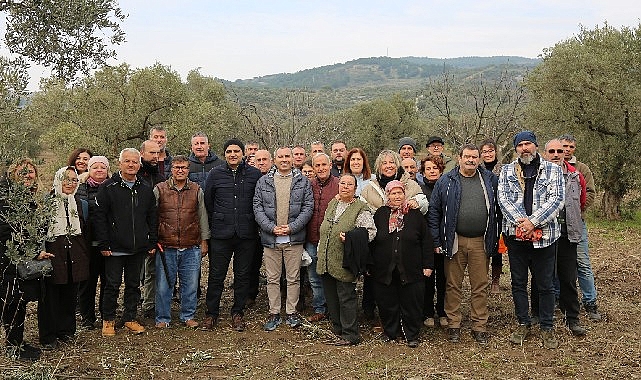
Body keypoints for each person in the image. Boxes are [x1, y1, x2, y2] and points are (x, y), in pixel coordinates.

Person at [498, 131, 565, 349]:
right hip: (516, 238)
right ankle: (523, 323)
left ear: (535, 146)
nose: (524, 148)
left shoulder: (553, 170)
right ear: (516, 148)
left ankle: (546, 326)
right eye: (520, 145)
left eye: (528, 144)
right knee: (518, 283)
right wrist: (521, 223)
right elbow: (503, 199)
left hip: (545, 237)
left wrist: (533, 222)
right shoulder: (507, 171)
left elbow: (557, 200)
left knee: (545, 284)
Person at [428, 144, 500, 345]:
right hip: (454, 240)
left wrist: (496, 236)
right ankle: (454, 324)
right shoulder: (446, 181)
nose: (470, 160)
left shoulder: (489, 179)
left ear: (479, 159)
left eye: (474, 157)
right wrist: (437, 239)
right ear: (459, 158)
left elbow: (498, 211)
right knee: (453, 284)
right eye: (467, 156)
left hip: (481, 240)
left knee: (480, 285)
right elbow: (434, 211)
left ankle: (479, 325)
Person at [94, 148, 158, 337]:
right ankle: (108, 320)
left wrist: (152, 241)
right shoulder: (107, 187)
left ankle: (130, 317)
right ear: (120, 163)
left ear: (139, 165)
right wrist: (103, 244)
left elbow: (152, 217)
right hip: (114, 248)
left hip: (137, 247)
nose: (131, 165)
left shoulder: (145, 188)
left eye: (135, 162)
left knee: (133, 285)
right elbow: (99, 217)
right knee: (112, 285)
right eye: (127, 161)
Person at [359, 150, 428, 323]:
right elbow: (362, 209)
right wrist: (380, 216)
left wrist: (415, 202)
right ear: (379, 166)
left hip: (405, 245)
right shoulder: (370, 186)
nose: (388, 166)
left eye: (391, 162)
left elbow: (423, 202)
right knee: (379, 284)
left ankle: (408, 321)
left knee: (405, 285)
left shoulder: (410, 184)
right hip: (380, 242)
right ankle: (376, 316)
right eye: (384, 163)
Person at [203, 139, 261, 331]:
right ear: (224, 154)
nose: (233, 154)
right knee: (216, 275)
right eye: (229, 151)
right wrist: (219, 220)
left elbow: (258, 201)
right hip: (221, 233)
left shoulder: (254, 174)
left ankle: (238, 312)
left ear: (243, 154)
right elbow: (208, 202)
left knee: (242, 275)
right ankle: (211, 313)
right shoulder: (215, 173)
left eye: (237, 151)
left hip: (246, 233)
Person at [253, 147, 313, 331]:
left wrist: (292, 227)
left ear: (293, 159)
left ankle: (292, 312)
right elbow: (257, 207)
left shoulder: (302, 181)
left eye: (288, 156)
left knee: (293, 278)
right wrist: (271, 228)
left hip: (293, 238)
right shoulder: (263, 182)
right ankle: (274, 312)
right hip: (271, 239)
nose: (284, 159)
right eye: (281, 156)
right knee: (272, 278)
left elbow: (308, 207)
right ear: (275, 159)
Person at [371, 180, 433, 348]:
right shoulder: (380, 214)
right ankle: (390, 332)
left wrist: (428, 265)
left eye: (400, 193)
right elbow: (373, 240)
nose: (397, 196)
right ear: (387, 195)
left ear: (405, 194)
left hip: (411, 268)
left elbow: (426, 241)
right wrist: (370, 265)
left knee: (411, 303)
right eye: (393, 193)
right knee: (387, 302)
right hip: (384, 268)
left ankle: (411, 334)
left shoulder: (415, 214)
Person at [534, 139, 587, 336]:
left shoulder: (575, 176)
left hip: (567, 234)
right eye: (552, 151)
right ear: (545, 153)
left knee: (568, 277)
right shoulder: (538, 175)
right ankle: (538, 314)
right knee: (542, 276)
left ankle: (572, 317)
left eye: (560, 151)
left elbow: (581, 203)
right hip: (545, 233)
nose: (557, 154)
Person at [316, 174, 376, 345]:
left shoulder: (360, 208)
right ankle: (338, 329)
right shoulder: (333, 203)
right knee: (331, 297)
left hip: (345, 261)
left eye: (350, 184)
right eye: (342, 183)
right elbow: (325, 229)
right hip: (327, 260)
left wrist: (351, 238)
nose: (345, 187)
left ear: (355, 188)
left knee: (346, 298)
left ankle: (351, 334)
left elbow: (370, 232)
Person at [154, 155, 209, 329]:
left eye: (184, 167)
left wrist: (204, 240)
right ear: (171, 169)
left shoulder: (196, 190)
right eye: (177, 167)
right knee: (164, 285)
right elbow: (152, 216)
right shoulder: (160, 189)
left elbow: (202, 216)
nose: (180, 170)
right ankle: (163, 317)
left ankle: (188, 315)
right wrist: (153, 241)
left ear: (188, 169)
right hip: (165, 246)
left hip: (191, 245)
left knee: (190, 285)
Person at [38, 166, 90, 350]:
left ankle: (66, 331)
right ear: (58, 179)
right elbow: (38, 231)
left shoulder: (80, 202)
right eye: (66, 179)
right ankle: (48, 335)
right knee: (50, 297)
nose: (70, 183)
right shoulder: (47, 202)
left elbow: (86, 230)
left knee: (70, 294)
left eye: (74, 180)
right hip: (54, 254)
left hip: (75, 254)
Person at [0, 158, 43, 360]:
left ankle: (15, 342)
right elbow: (7, 230)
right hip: (6, 258)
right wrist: (29, 250)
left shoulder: (26, 196)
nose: (28, 175)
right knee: (11, 300)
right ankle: (13, 345)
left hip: (17, 259)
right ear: (12, 174)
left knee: (18, 300)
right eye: (22, 172)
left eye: (31, 172)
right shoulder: (5, 197)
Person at [559, 134, 601, 321]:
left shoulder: (582, 169)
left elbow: (590, 193)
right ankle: (558, 300)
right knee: (555, 263)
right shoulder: (550, 167)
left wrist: (576, 208)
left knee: (582, 263)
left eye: (571, 147)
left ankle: (590, 302)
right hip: (555, 225)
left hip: (577, 223)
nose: (567, 150)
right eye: (564, 146)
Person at [77, 156, 110, 330]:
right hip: (86, 245)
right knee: (87, 283)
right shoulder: (80, 188)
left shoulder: (112, 188)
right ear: (89, 169)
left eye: (102, 168)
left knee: (108, 282)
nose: (99, 170)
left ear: (107, 171)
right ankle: (87, 318)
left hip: (107, 244)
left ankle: (106, 315)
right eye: (95, 167)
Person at [305, 153, 339, 322]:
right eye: (317, 166)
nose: (321, 168)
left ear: (330, 164)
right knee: (314, 275)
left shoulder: (339, 185)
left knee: (333, 275)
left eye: (323, 165)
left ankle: (334, 308)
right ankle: (319, 308)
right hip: (312, 238)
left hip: (333, 240)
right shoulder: (308, 185)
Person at [139, 139, 166, 319]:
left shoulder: (160, 177)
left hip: (156, 231)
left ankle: (150, 304)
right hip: (136, 231)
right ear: (142, 154)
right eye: (152, 153)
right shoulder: (136, 175)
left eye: (158, 153)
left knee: (153, 270)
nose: (156, 157)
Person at [418, 155, 447, 328]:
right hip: (425, 241)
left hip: (444, 239)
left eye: (435, 168)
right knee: (427, 277)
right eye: (428, 168)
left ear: (441, 170)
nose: (431, 171)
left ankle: (442, 311)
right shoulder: (420, 190)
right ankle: (427, 312)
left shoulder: (447, 187)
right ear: (423, 171)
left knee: (444, 278)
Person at [247, 149, 273, 307]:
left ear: (271, 161)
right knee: (252, 263)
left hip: (273, 227)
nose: (262, 162)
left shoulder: (277, 177)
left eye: (265, 159)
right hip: (252, 227)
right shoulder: (249, 177)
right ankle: (251, 293)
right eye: (259, 160)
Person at [479, 138, 504, 294]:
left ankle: (495, 279)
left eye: (490, 151)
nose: (488, 154)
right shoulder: (477, 169)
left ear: (495, 152)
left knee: (497, 247)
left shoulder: (504, 169)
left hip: (500, 212)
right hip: (482, 212)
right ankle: (482, 277)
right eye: (484, 151)